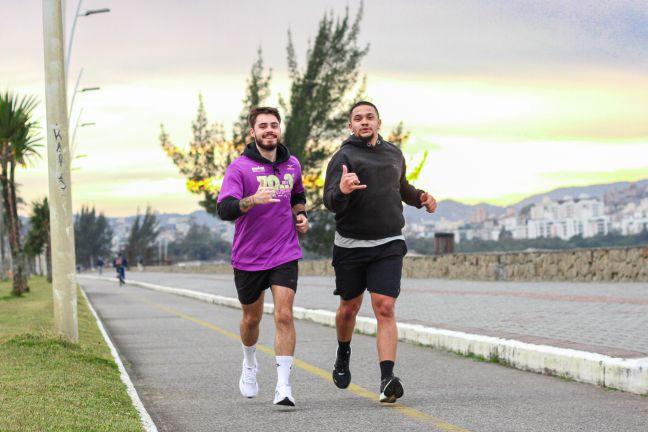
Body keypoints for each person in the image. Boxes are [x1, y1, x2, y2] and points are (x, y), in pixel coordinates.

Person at [323, 101, 437, 403]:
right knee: (349, 308)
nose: (364, 122)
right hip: (350, 245)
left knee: (384, 306)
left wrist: (421, 197)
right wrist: (343, 190)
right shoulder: (343, 157)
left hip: (388, 242)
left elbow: (400, 187)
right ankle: (343, 352)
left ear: (378, 122)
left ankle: (387, 378)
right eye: (357, 118)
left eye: (369, 117)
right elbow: (329, 201)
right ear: (350, 126)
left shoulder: (393, 154)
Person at [216, 106, 309, 406]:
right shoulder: (239, 168)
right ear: (253, 133)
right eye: (263, 126)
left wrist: (301, 216)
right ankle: (249, 362)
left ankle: (283, 387)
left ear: (279, 129)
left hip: (284, 251)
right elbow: (224, 208)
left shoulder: (292, 164)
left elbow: (297, 195)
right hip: (249, 257)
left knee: (284, 314)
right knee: (251, 319)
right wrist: (251, 201)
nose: (269, 130)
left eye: (274, 125)